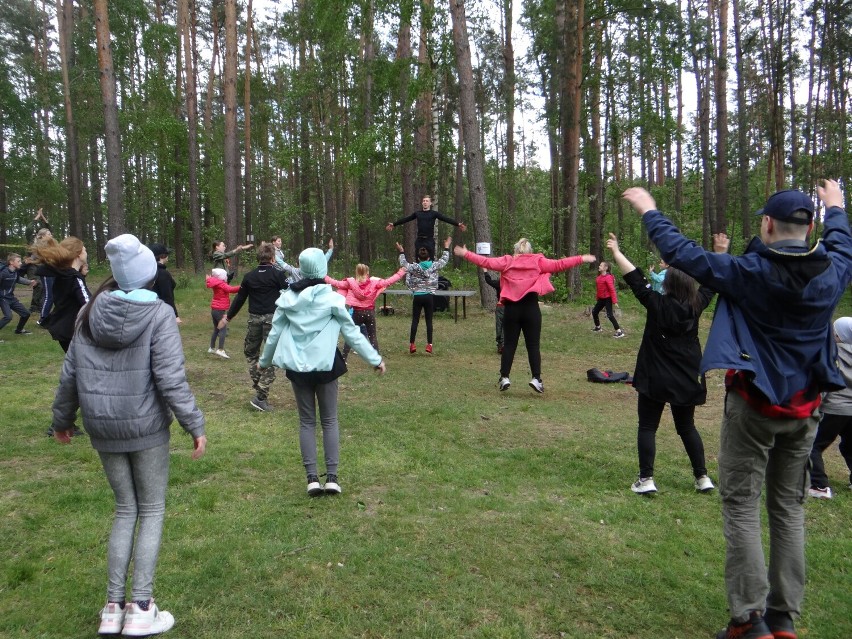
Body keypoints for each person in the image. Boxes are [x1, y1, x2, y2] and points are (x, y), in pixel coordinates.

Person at [622, 180, 852, 639]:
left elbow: (683, 253)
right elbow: (842, 243)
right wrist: (837, 208)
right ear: (809, 230)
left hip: (753, 405)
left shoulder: (747, 273)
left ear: (766, 224)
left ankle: (750, 620)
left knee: (743, 505)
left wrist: (649, 209)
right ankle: (782, 617)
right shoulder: (832, 271)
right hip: (805, 410)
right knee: (788, 507)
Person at [51, 233, 206, 637]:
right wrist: (194, 424)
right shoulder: (157, 315)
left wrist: (63, 420)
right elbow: (171, 378)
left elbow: (68, 375)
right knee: (150, 509)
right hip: (145, 426)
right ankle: (140, 606)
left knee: (125, 509)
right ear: (148, 274)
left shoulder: (88, 312)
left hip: (103, 425)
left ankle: (112, 607)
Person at [259, 247, 385, 496]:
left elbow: (274, 334)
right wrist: (374, 359)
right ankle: (333, 478)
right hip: (327, 365)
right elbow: (352, 333)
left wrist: (265, 361)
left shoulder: (287, 299)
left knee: (306, 422)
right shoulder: (333, 300)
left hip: (298, 368)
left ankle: (312, 479)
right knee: (329, 421)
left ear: (301, 269)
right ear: (323, 270)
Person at [606, 232, 724, 495]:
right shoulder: (698, 304)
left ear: (667, 284)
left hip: (655, 376)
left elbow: (634, 277)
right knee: (687, 427)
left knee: (648, 426)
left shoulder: (655, 302)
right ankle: (702, 477)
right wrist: (719, 252)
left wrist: (616, 252)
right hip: (686, 376)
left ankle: (646, 479)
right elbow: (712, 280)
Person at [454, 238, 596, 393]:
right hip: (531, 309)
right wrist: (581, 258)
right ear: (530, 250)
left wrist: (466, 253)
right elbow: (559, 264)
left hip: (511, 310)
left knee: (509, 345)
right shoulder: (538, 261)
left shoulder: (507, 261)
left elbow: (485, 262)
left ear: (516, 250)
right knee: (533, 346)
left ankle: (504, 377)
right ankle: (536, 379)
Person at [217, 243, 290, 411]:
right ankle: (261, 394)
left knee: (251, 353)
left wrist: (227, 317)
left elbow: (239, 299)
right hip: (272, 321)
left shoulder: (249, 276)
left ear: (259, 258)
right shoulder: (278, 275)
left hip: (254, 320)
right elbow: (291, 293)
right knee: (270, 356)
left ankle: (259, 385)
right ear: (273, 258)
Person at [807, 316, 852, 499]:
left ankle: (819, 485)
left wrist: (815, 404)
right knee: (850, 446)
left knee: (812, 444)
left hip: (834, 408)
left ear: (840, 335)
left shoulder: (833, 354)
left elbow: (824, 381)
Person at [324, 262, 407, 359]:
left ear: (356, 272)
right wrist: (401, 272)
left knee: (351, 336)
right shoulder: (375, 283)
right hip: (369, 313)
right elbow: (389, 281)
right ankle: (377, 360)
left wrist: (323, 276)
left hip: (357, 314)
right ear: (367, 273)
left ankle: (344, 358)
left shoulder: (350, 283)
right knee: (372, 337)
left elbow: (335, 283)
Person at [32, 237, 91, 352]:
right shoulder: (74, 277)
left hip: (64, 329)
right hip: (74, 331)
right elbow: (88, 304)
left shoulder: (62, 275)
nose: (86, 252)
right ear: (78, 254)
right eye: (85, 250)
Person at [397, 237, 452, 354]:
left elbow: (403, 263)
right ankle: (429, 345)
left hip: (417, 295)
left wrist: (401, 251)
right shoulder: (434, 265)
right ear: (429, 257)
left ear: (418, 258)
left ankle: (412, 344)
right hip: (429, 296)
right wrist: (446, 247)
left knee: (415, 320)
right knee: (429, 321)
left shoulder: (414, 267)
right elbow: (444, 260)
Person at [386, 195, 466, 258]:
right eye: (423, 201)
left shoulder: (434, 213)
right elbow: (406, 219)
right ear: (422, 203)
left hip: (429, 240)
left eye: (427, 201)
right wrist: (394, 224)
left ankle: (430, 278)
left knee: (430, 260)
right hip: (419, 240)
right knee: (418, 259)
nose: (425, 202)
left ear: (430, 203)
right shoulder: (418, 213)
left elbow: (445, 219)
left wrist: (457, 224)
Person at [0, 253, 37, 339]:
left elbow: (19, 279)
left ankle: (19, 330)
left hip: (11, 298)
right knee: (8, 317)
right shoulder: (3, 273)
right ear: (11, 262)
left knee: (26, 314)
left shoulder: (15, 272)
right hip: (2, 298)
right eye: (18, 261)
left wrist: (29, 282)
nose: (21, 263)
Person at [206, 267, 241, 358]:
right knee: (223, 329)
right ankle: (220, 349)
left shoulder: (216, 283)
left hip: (214, 309)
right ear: (222, 277)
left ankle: (212, 347)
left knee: (216, 329)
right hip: (220, 310)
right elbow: (231, 290)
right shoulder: (221, 284)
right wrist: (242, 287)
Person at [148, 243, 180, 324]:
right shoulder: (162, 273)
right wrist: (175, 315)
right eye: (166, 254)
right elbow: (167, 296)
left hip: (149, 311)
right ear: (162, 256)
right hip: (161, 313)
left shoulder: (148, 271)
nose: (167, 256)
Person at [591, 260, 624, 338]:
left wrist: (614, 301)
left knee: (609, 315)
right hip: (601, 299)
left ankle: (619, 332)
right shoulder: (598, 278)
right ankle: (598, 327)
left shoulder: (608, 277)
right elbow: (599, 289)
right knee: (594, 311)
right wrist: (597, 298)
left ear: (606, 268)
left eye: (601, 265)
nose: (599, 266)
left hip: (608, 299)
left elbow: (612, 289)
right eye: (599, 265)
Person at [482, 268, 504, 354]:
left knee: (500, 325)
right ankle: (503, 344)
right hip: (509, 307)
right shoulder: (511, 282)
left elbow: (489, 281)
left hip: (501, 306)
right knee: (505, 326)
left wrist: (485, 271)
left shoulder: (500, 282)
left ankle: (501, 344)